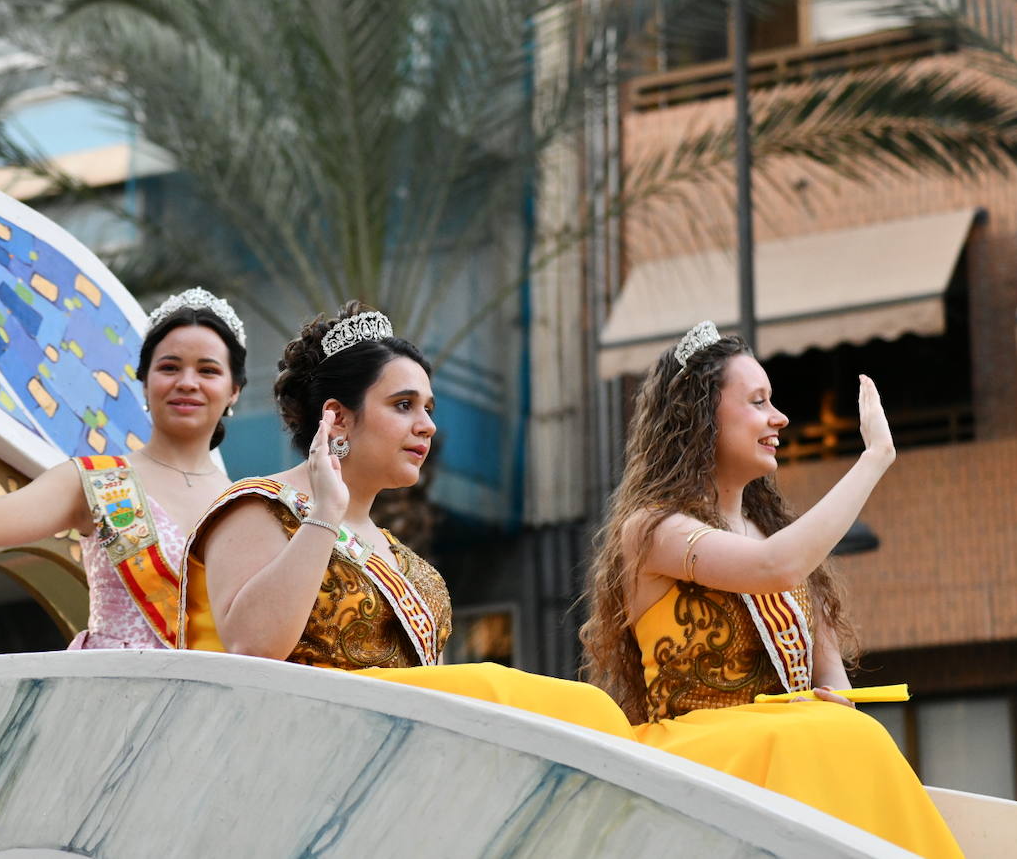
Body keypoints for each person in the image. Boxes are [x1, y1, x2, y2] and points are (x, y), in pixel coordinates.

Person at [581, 320, 961, 858]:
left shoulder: (774, 534)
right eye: (758, 401)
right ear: (700, 419)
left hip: (791, 759)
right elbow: (771, 568)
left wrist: (833, 700)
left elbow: (830, 676)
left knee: (856, 738)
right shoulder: (653, 528)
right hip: (705, 768)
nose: (778, 418)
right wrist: (872, 459)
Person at [183, 301, 638, 735]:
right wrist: (324, 513)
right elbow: (252, 646)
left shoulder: (400, 556)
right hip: (308, 749)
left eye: (428, 408)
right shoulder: (258, 506)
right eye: (403, 405)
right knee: (579, 707)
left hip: (406, 761)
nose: (427, 425)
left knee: (588, 710)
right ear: (337, 418)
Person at [0, 286, 246, 650]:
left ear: (234, 389)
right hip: (110, 693)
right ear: (144, 382)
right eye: (169, 367)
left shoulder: (243, 504)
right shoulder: (96, 481)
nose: (187, 383)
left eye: (207, 370)